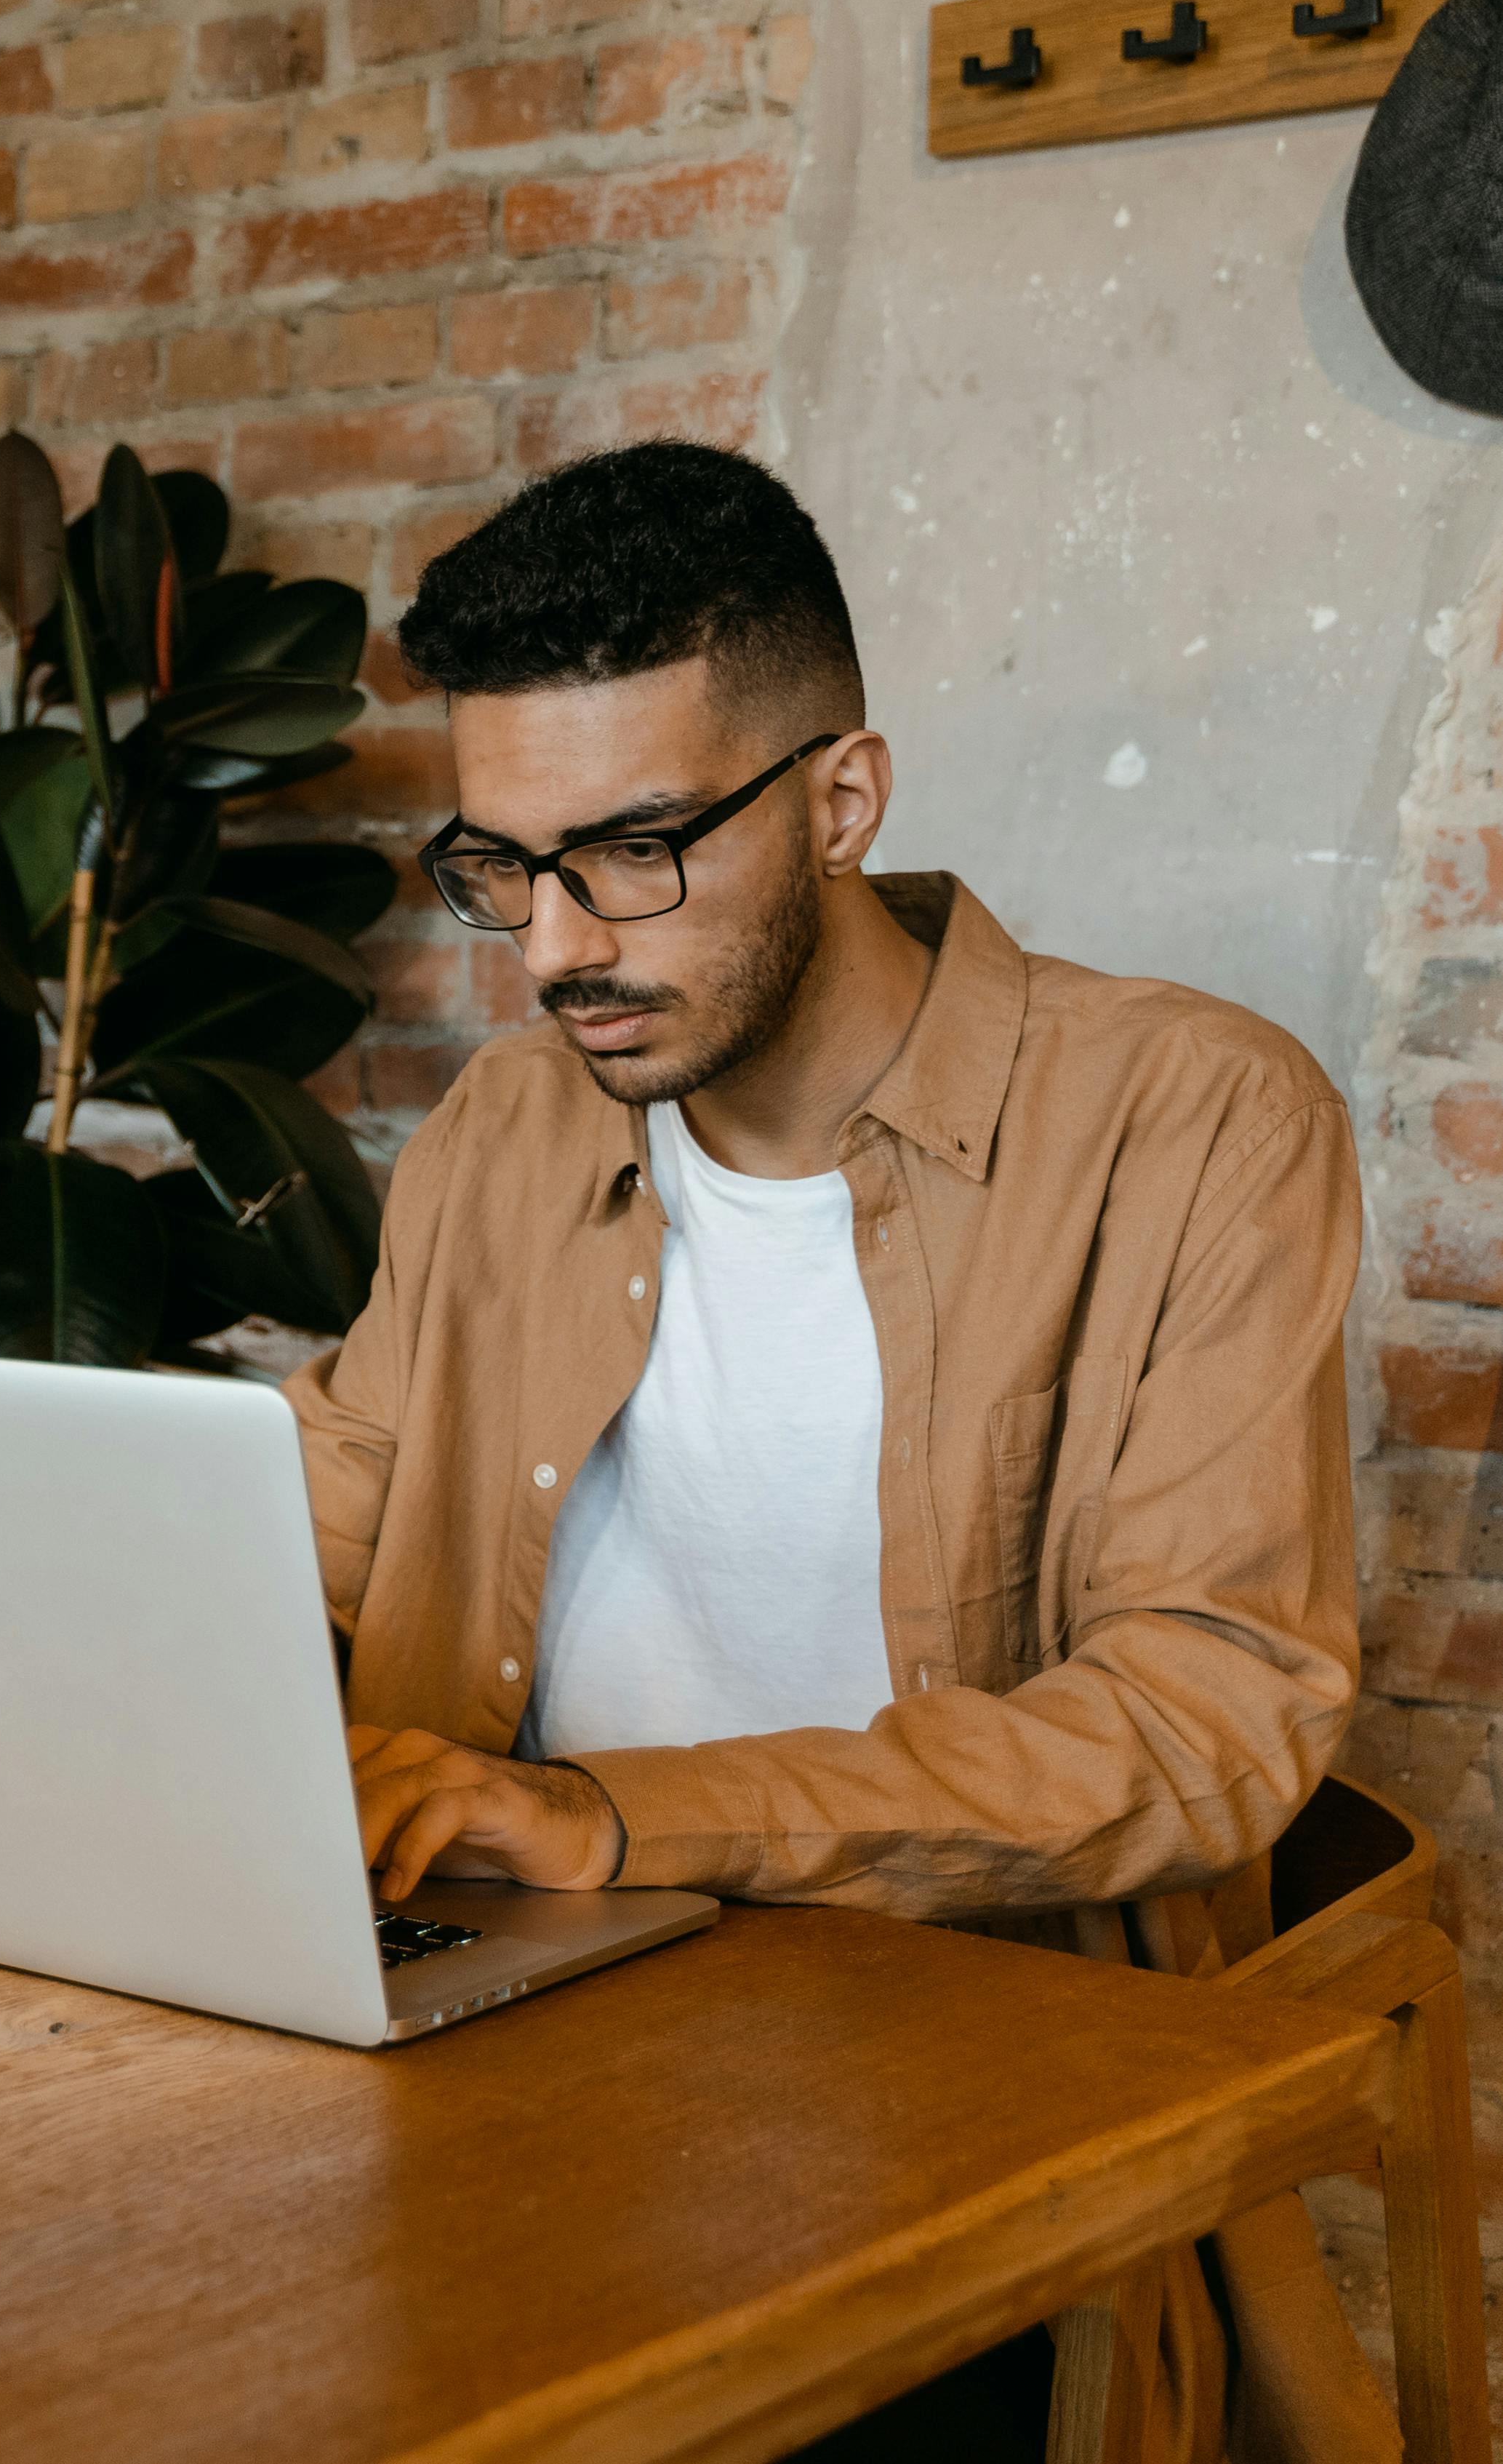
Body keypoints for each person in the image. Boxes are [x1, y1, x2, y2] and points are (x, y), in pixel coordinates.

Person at [292, 441, 1372, 2460]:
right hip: (489, 2018)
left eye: (628, 850)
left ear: (844, 799)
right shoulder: (508, 1131)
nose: (548, 948)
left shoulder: (1195, 1123)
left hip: (929, 2077)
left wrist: (620, 1819)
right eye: (498, 866)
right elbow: (352, 1480)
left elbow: (1209, 1711)